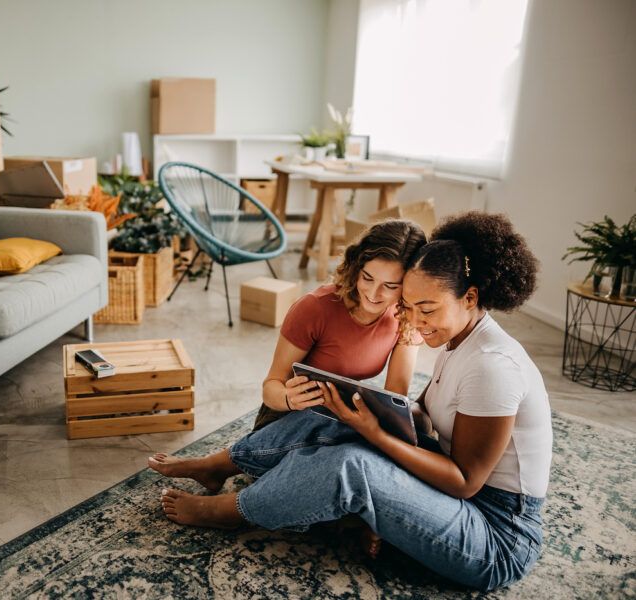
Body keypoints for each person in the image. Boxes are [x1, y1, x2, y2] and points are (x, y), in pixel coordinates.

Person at [151, 212, 552, 592]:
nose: (416, 321)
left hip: (497, 535)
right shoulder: (457, 338)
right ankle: (225, 464)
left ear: (470, 297)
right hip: (457, 499)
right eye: (409, 308)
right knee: (340, 414)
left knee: (352, 466)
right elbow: (422, 419)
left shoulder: (491, 367)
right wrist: (366, 416)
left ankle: (227, 512)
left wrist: (375, 434)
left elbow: (464, 483)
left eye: (426, 309)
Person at [149, 218, 427, 555]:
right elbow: (270, 387)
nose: (373, 292)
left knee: (375, 442)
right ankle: (221, 467)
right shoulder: (316, 308)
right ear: (356, 266)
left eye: (390, 286)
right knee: (327, 420)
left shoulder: (404, 318)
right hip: (285, 422)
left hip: (337, 429)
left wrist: (385, 427)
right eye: (367, 277)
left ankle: (331, 517)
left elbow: (394, 400)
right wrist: (289, 397)